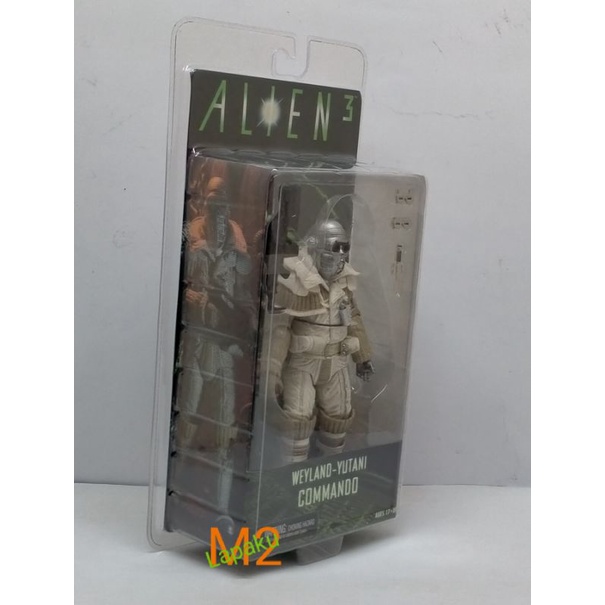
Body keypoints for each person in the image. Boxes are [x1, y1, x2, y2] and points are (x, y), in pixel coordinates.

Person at [268, 218, 374, 462]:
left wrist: (363, 358)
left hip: (337, 364)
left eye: (343, 250)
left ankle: (328, 471)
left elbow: (353, 320)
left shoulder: (344, 286)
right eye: (333, 249)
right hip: (302, 365)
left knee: (338, 418)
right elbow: (279, 330)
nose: (338, 256)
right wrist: (271, 371)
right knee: (298, 420)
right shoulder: (294, 284)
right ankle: (292, 473)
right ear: (315, 248)